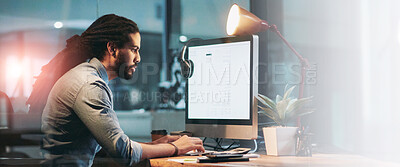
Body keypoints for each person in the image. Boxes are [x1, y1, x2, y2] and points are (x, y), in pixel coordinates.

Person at [31, 14, 204, 166]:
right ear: (112, 48)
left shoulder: (88, 76)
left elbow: (115, 145)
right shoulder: (90, 85)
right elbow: (124, 153)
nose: (138, 59)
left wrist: (159, 145)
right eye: (134, 50)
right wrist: (174, 148)